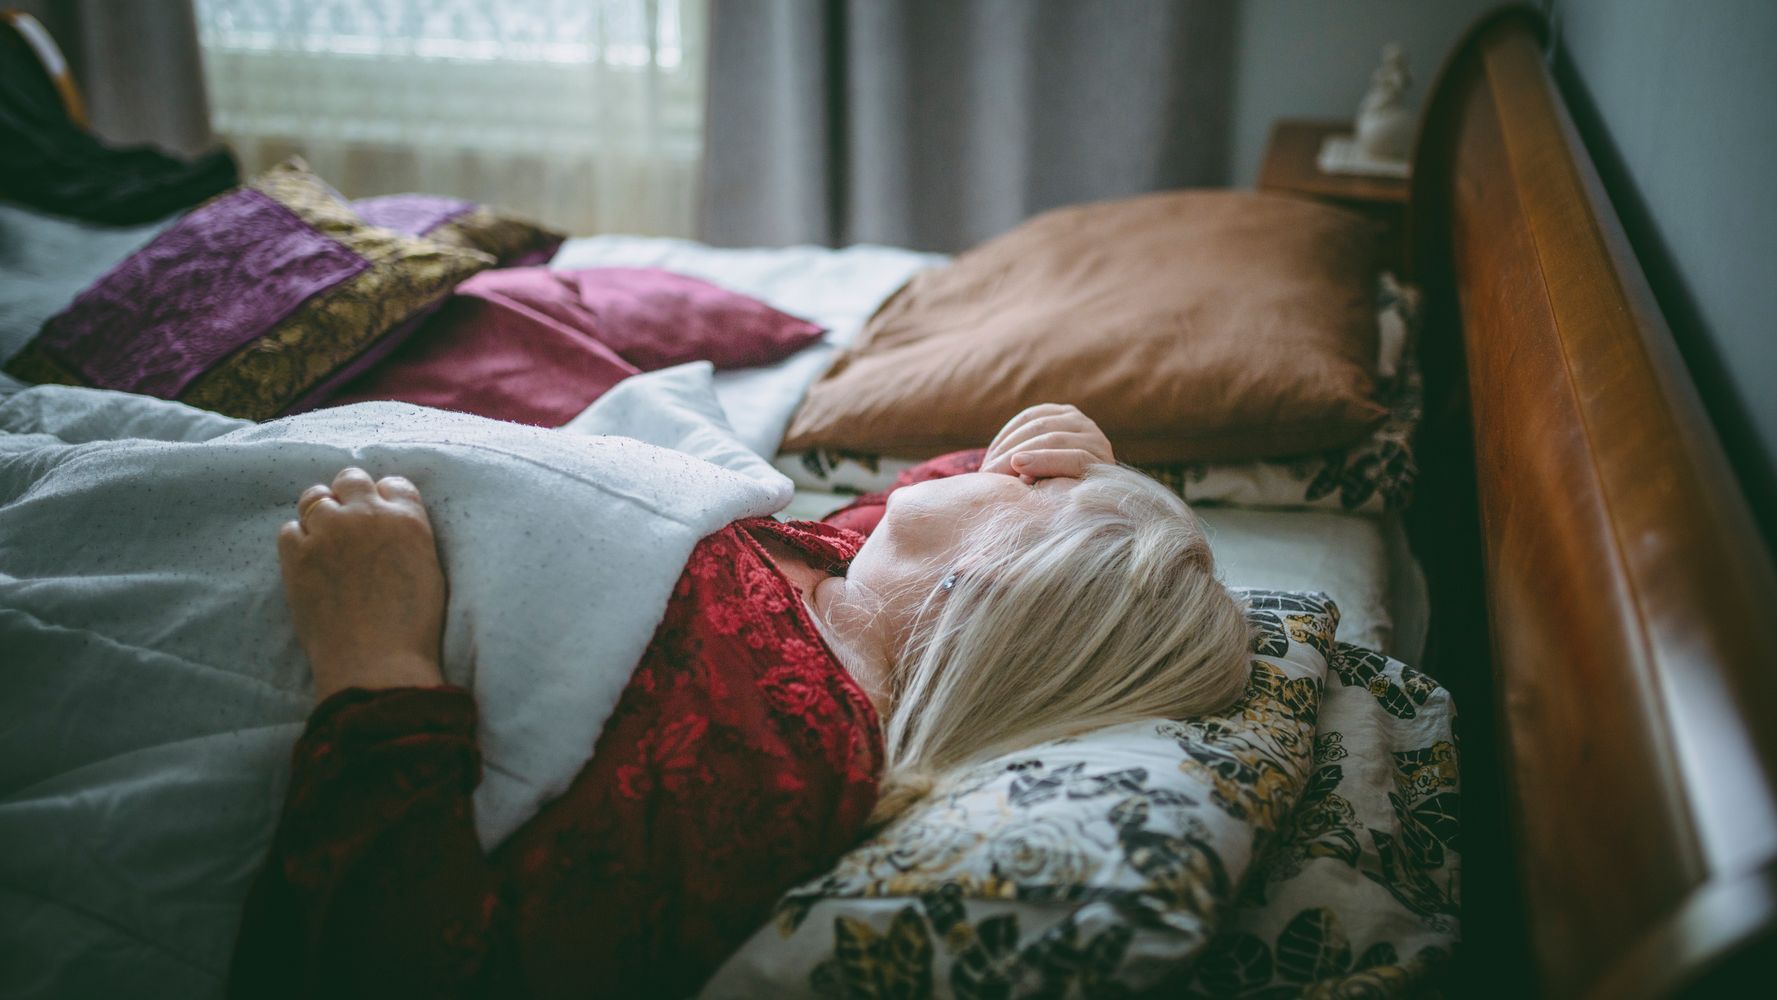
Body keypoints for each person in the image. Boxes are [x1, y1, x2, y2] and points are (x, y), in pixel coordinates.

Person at [229, 404, 1251, 998]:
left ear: (1000, 581)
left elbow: (431, 972)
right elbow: (929, 509)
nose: (1015, 465)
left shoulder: (774, 756)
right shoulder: (853, 579)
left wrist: (375, 660)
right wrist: (1083, 467)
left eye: (1035, 489)